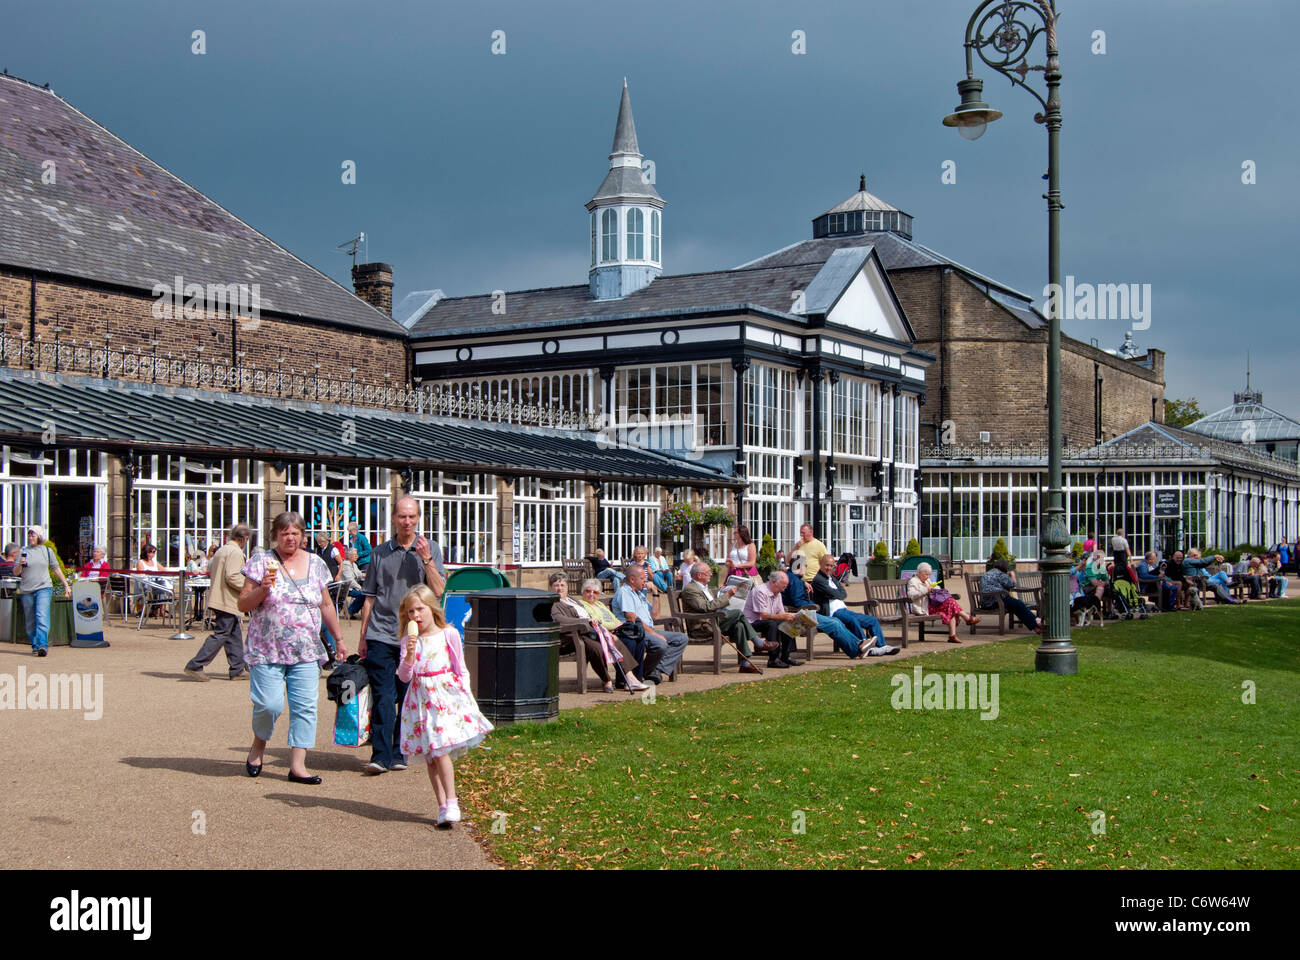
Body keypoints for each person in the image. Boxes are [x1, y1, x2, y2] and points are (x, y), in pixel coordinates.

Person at [238, 511, 345, 783]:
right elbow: (243, 604)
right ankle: (259, 743)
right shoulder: (261, 562)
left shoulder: (317, 564)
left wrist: (339, 639)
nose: (290, 537)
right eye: (285, 533)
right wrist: (262, 589)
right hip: (267, 648)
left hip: (306, 649)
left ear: (303, 536)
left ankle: (298, 766)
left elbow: (325, 604)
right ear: (276, 535)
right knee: (268, 705)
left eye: (295, 532)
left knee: (305, 707)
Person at [357, 496, 446, 775]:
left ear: (418, 519)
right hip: (381, 633)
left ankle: (399, 751)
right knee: (383, 695)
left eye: (412, 517)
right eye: (402, 517)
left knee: (407, 697)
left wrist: (427, 560)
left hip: (414, 635)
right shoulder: (380, 552)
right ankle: (380, 755)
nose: (407, 522)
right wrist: (362, 637)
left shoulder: (430, 548)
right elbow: (369, 597)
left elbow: (439, 590)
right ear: (394, 518)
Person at [396, 584, 493, 827]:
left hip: (443, 697)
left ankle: (452, 802)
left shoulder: (447, 633)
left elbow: (460, 667)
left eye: (420, 610)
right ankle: (442, 805)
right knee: (431, 755)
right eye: (411, 612)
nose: (416, 616)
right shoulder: (409, 640)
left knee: (440, 750)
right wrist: (409, 655)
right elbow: (404, 676)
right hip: (419, 700)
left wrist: (466, 695)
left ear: (431, 608)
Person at [548, 572, 643, 692]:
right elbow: (560, 620)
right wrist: (585, 621)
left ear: (567, 587)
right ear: (551, 587)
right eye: (556, 585)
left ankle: (630, 677)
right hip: (570, 637)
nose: (559, 588)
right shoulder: (553, 603)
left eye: (562, 585)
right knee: (597, 647)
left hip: (585, 633)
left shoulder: (571, 600)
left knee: (614, 640)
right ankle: (606, 680)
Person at [184, 524, 252, 680]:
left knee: (233, 633)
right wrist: (249, 586)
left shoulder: (221, 550)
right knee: (221, 634)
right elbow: (232, 576)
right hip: (227, 599)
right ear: (244, 539)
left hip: (220, 598)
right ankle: (195, 665)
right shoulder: (235, 552)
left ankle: (237, 668)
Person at [680, 561, 766, 674]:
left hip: (713, 620)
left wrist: (723, 593)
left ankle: (745, 664)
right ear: (699, 575)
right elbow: (706, 607)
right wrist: (727, 596)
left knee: (739, 625)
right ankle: (758, 643)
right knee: (737, 613)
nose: (711, 574)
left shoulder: (704, 587)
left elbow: (713, 603)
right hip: (703, 627)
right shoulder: (690, 589)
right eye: (708, 572)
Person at [612, 563, 687, 684]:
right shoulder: (624, 592)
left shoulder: (639, 594)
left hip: (648, 630)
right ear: (632, 579)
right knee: (660, 643)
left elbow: (655, 616)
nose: (645, 580)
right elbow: (632, 618)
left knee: (681, 638)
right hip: (635, 633)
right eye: (642, 578)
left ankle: (654, 670)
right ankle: (646, 672)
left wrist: (655, 593)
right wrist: (655, 634)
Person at [810, 552, 898, 656]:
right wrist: (834, 593)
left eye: (831, 566)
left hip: (843, 609)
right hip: (833, 612)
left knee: (872, 620)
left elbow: (843, 594)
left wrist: (834, 594)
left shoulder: (832, 578)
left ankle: (882, 646)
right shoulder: (818, 579)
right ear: (821, 564)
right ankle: (865, 647)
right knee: (852, 620)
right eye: (827, 565)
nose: (829, 568)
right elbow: (834, 593)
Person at [572, 578, 649, 691]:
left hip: (614, 631)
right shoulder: (582, 605)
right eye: (588, 591)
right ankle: (623, 680)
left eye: (595, 592)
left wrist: (617, 624)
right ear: (583, 592)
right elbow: (598, 623)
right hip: (602, 635)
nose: (591, 594)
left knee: (639, 641)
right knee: (628, 642)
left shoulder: (599, 604)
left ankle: (636, 678)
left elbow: (614, 619)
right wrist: (615, 626)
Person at [14, 526, 70, 657]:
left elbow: (56, 568)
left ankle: (43, 645)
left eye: (33, 535)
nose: (30, 538)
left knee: (41, 616)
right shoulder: (23, 551)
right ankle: (35, 644)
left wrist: (66, 585)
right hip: (26, 589)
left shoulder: (47, 550)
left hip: (44, 588)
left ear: (39, 536)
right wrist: (20, 564)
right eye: (29, 535)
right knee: (30, 621)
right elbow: (16, 573)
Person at [905, 562, 979, 643]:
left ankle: (953, 635)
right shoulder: (913, 581)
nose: (928, 577)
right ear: (919, 573)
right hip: (923, 607)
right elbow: (911, 595)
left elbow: (936, 588)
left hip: (933, 605)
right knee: (950, 603)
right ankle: (965, 620)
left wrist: (935, 588)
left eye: (929, 574)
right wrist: (926, 590)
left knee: (950, 605)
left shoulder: (927, 580)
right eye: (926, 574)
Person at [743, 571, 804, 668]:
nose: (783, 590)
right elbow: (764, 616)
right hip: (751, 623)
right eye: (783, 587)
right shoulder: (760, 591)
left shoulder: (777, 593)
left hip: (765, 621)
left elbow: (781, 613)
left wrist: (794, 616)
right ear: (773, 582)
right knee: (772, 624)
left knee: (788, 622)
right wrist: (784, 616)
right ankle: (773, 659)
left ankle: (785, 656)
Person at [976, 559, 1042, 633]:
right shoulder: (1001, 574)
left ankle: (1035, 627)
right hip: (994, 601)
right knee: (1018, 604)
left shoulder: (988, 573)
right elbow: (1012, 584)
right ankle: (1036, 621)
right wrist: (1012, 575)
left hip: (986, 602)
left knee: (1016, 606)